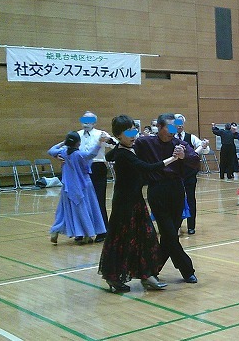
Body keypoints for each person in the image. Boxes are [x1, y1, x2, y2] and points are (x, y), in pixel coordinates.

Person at [99, 115, 175, 293]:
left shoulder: (124, 149)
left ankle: (147, 275)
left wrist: (115, 143)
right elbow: (147, 168)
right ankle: (114, 277)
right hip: (124, 204)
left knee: (145, 238)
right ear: (119, 135)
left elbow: (109, 155)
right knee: (123, 240)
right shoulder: (124, 154)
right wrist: (173, 158)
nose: (133, 134)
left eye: (134, 130)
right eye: (128, 132)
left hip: (136, 201)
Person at [133, 113, 200, 284]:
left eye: (174, 128)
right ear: (159, 127)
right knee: (170, 233)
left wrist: (184, 156)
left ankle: (151, 271)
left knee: (168, 236)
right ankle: (187, 269)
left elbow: (195, 160)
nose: (172, 131)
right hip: (157, 190)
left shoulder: (180, 144)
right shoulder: (145, 142)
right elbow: (127, 147)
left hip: (176, 190)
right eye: (169, 128)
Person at [48, 131, 108, 244]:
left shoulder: (63, 152)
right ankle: (87, 234)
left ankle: (55, 230)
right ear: (79, 143)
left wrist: (62, 143)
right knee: (84, 210)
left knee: (64, 212)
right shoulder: (79, 154)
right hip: (82, 186)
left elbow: (51, 150)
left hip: (67, 187)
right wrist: (99, 142)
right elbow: (91, 154)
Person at [77, 111, 114, 242]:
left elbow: (114, 144)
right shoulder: (77, 135)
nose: (86, 123)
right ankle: (81, 231)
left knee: (99, 200)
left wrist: (108, 139)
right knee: (80, 200)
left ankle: (102, 231)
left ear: (95, 122)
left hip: (97, 167)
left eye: (89, 121)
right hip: (81, 168)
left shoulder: (101, 134)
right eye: (84, 120)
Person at [174, 114, 211, 235]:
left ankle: (191, 226)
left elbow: (205, 150)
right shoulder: (171, 138)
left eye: (181, 123)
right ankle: (176, 224)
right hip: (175, 175)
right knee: (177, 200)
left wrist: (204, 146)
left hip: (189, 174)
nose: (179, 125)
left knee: (190, 199)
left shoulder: (191, 137)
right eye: (177, 123)